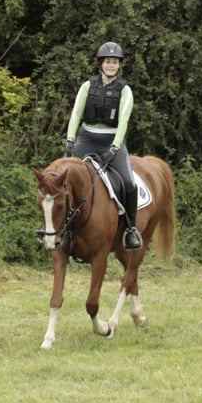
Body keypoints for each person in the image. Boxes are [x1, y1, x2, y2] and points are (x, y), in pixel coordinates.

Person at [64, 41, 143, 250]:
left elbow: (124, 120)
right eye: (108, 61)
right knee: (63, 178)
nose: (111, 65)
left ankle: (131, 229)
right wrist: (70, 140)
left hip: (111, 141)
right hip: (87, 138)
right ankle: (61, 228)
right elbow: (76, 114)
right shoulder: (87, 86)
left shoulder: (125, 90)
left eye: (115, 62)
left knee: (128, 183)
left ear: (119, 65)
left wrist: (115, 147)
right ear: (101, 63)